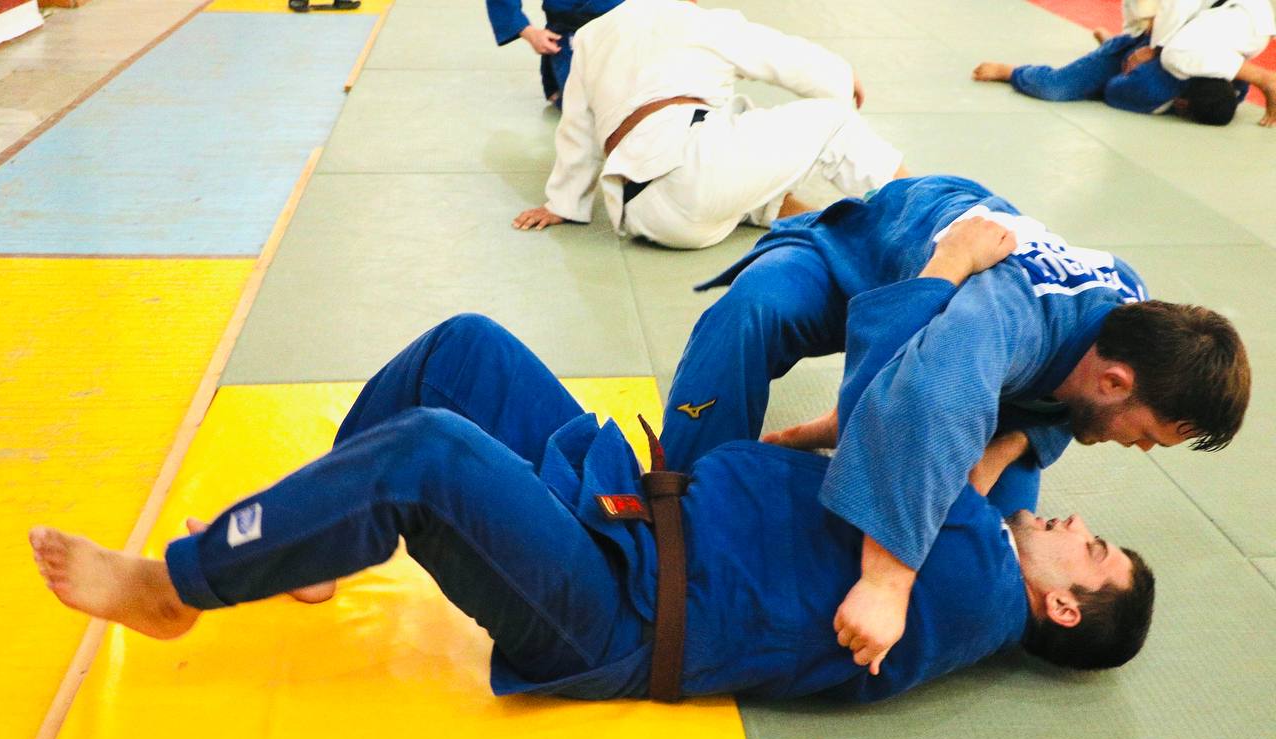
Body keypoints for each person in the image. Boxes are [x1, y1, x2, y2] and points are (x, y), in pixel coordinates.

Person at [30, 300, 1156, 704]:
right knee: (463, 351)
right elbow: (973, 461)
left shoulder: (967, 594)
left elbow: (924, 418)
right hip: (628, 517)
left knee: (427, 452)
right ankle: (312, 544)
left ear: (1061, 607)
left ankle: (174, 590)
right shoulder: (963, 547)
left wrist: (953, 281)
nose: (1071, 523)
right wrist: (1039, 423)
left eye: (1091, 548)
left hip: (615, 611)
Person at [661, 174, 1248, 672]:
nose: (1141, 448)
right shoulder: (997, 330)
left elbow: (1070, 410)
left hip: (970, 336)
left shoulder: (1134, 314)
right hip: (869, 257)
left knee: (997, 549)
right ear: (1115, 383)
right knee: (753, 309)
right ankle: (678, 501)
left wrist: (1006, 446)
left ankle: (834, 454)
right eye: (1147, 434)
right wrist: (886, 583)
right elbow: (898, 394)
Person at [511, 0, 907, 250]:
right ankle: (928, 213)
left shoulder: (591, 36)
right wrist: (843, 76)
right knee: (835, 123)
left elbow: (577, 131)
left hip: (647, 217)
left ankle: (827, 231)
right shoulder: (698, 20)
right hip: (696, 179)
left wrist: (563, 204)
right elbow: (789, 61)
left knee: (736, 130)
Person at [972, 0, 1276, 126]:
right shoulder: (1231, 85)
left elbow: (1175, 10)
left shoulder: (1228, 87)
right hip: (1182, 36)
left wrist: (1156, 47)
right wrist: (1151, 42)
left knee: (1170, 64)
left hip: (1210, 30)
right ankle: (1013, 72)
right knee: (1057, 87)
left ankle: (1266, 79)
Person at [484, 0, 624, 106]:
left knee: (628, 100)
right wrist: (528, 32)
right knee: (588, 107)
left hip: (624, 27)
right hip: (570, 32)